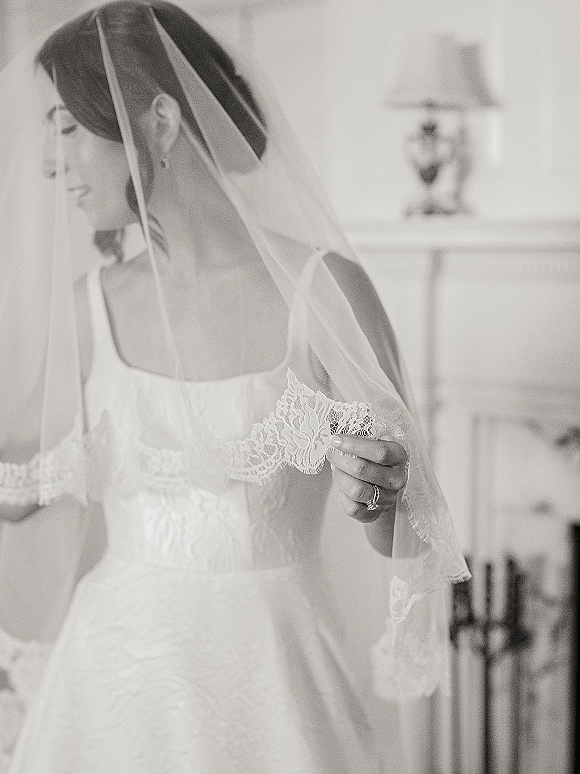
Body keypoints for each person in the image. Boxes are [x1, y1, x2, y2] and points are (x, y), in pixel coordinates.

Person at [0, 2, 469, 771]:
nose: (54, 163)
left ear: (157, 121)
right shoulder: (95, 304)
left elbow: (412, 533)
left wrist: (381, 489)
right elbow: (18, 482)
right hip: (110, 690)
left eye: (68, 127)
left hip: (272, 691)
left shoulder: (324, 292)